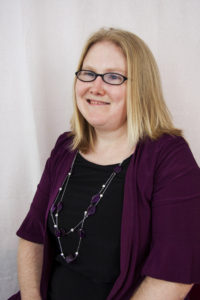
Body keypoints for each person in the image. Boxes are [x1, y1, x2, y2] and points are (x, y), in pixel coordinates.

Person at [8, 28, 200, 300]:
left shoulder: (169, 157)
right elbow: (32, 237)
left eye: (113, 77)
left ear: (140, 88)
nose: (95, 87)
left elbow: (172, 278)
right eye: (88, 73)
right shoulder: (66, 147)